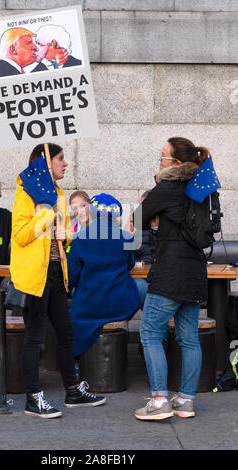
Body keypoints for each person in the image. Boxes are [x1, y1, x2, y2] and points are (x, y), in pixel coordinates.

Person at [10, 143, 106, 419]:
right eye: (61, 159)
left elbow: (61, 240)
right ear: (45, 163)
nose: (65, 164)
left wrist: (66, 235)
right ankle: (33, 398)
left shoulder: (59, 195)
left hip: (55, 272)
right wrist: (47, 214)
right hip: (33, 276)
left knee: (66, 333)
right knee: (35, 337)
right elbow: (20, 235)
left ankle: (73, 391)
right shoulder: (26, 193)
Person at [134, 137, 210, 421]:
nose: (159, 159)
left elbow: (137, 218)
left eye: (163, 155)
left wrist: (154, 221)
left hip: (168, 272)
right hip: (195, 271)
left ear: (177, 163)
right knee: (189, 338)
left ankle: (159, 401)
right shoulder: (202, 188)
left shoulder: (167, 187)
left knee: (150, 332)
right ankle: (185, 401)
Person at [67, 193, 141, 358]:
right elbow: (130, 265)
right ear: (116, 215)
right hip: (120, 304)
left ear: (93, 213)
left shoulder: (79, 239)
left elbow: (72, 277)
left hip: (88, 306)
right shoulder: (127, 238)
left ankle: (79, 362)